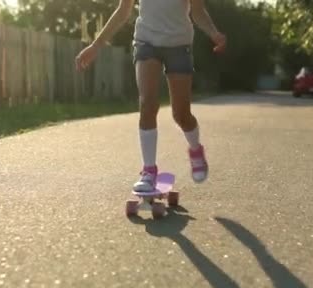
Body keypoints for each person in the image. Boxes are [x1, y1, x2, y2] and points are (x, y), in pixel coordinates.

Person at [75, 0, 226, 192]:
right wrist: (95, 46)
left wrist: (214, 33)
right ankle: (149, 171)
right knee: (147, 104)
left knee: (181, 115)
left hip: (179, 45)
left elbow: (197, 11)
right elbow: (123, 11)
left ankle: (196, 149)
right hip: (146, 42)